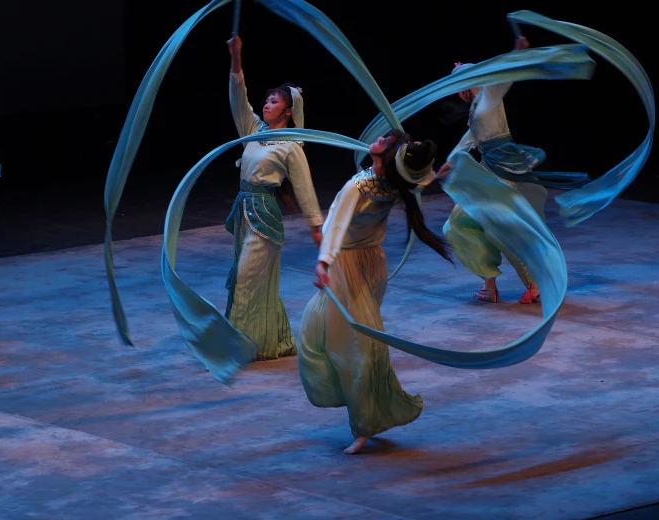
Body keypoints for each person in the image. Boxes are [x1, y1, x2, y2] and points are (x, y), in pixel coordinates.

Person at [298, 129, 452, 454]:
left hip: (349, 266)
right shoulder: (394, 184)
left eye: (384, 141)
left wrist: (324, 262)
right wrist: (434, 174)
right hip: (370, 262)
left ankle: (366, 421)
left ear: (386, 156)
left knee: (361, 346)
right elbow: (417, 180)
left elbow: (337, 225)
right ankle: (361, 400)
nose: (377, 140)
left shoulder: (358, 186)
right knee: (320, 333)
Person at [437, 36, 586, 305]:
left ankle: (534, 282)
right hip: (488, 169)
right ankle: (489, 284)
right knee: (459, 224)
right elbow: (472, 137)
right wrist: (450, 161)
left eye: (462, 84)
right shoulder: (476, 107)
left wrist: (517, 53)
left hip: (503, 169)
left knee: (500, 229)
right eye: (457, 87)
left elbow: (504, 78)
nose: (459, 91)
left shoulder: (489, 95)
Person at [224, 34, 324, 360]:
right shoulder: (254, 130)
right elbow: (238, 96)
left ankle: (233, 350)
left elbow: (304, 187)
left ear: (289, 110)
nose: (267, 104)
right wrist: (236, 57)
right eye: (266, 100)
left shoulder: (291, 145)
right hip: (243, 210)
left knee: (245, 281)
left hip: (264, 217)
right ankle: (274, 342)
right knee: (257, 284)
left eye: (275, 101)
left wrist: (315, 225)